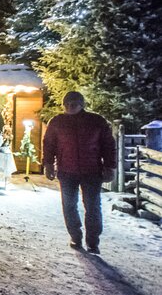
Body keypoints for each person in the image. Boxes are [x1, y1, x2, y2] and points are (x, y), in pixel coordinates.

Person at [42, 91, 116, 254]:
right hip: (66, 170)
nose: (70, 106)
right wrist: (48, 164)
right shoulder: (57, 122)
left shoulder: (96, 121)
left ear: (82, 104)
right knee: (69, 205)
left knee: (92, 206)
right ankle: (75, 236)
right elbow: (49, 144)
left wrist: (110, 167)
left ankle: (93, 241)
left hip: (92, 171)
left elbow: (108, 145)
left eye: (74, 103)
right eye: (67, 103)